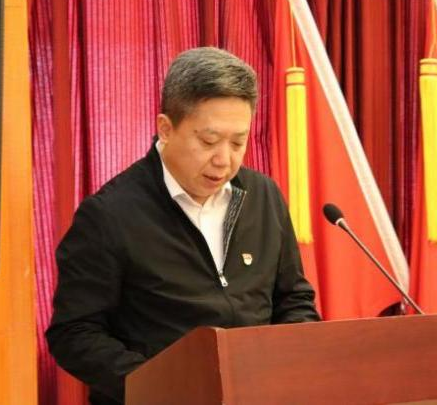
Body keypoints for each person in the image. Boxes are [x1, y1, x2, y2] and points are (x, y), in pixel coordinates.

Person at [46, 47, 320, 405]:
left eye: (238, 143)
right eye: (208, 141)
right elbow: (74, 332)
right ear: (166, 128)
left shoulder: (263, 195)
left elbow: (294, 299)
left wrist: (291, 366)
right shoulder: (109, 215)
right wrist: (160, 388)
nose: (224, 160)